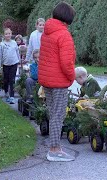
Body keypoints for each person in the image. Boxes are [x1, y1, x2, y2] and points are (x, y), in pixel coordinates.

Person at [38, 2, 76, 162]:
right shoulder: (63, 34)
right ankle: (54, 150)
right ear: (67, 19)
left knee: (53, 113)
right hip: (59, 81)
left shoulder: (46, 32)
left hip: (47, 80)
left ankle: (54, 147)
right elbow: (66, 62)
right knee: (58, 115)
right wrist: (71, 77)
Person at [0, 28, 20, 104]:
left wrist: (18, 61)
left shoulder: (14, 43)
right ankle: (6, 92)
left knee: (12, 79)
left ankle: (12, 96)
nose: (8, 35)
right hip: (6, 64)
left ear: (11, 34)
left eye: (9, 33)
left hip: (14, 63)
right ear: (4, 35)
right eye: (6, 34)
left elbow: (17, 52)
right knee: (6, 80)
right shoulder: (1, 44)